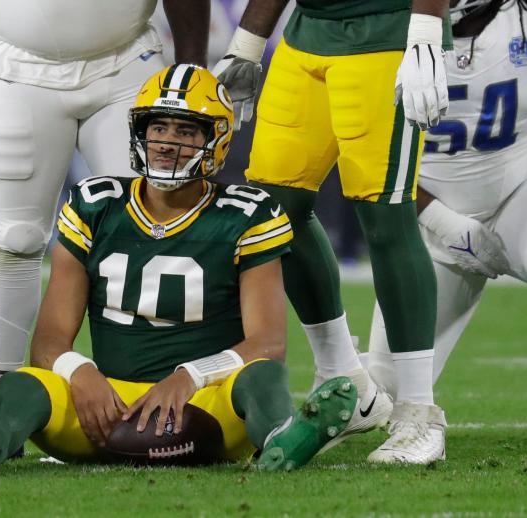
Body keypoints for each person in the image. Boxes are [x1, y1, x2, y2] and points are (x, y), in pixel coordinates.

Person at [0, 65, 358, 473]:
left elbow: (267, 344)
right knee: (24, 383)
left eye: (186, 130)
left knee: (262, 377)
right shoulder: (96, 205)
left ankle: (282, 440)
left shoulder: (246, 214)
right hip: (107, 408)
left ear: (217, 140)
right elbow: (50, 343)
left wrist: (189, 376)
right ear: (139, 132)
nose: (168, 142)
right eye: (158, 127)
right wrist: (81, 372)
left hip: (203, 407)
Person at [211, 0, 453, 464]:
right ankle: (347, 379)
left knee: (385, 216)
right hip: (308, 35)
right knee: (272, 213)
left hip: (387, 33)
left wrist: (423, 31)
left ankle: (419, 410)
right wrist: (247, 41)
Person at [367, 0, 527, 447]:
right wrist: (437, 219)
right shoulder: (383, 24)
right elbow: (357, 149)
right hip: (426, 218)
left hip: (522, 193)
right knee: (383, 396)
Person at [0, 0, 211, 386]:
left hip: (127, 61)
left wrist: (193, 68)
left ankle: (156, 387)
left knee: (157, 228)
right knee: (15, 238)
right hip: (14, 66)